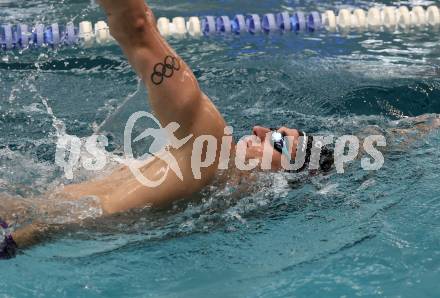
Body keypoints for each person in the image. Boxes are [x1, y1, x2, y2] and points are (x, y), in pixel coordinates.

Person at [1, 0, 439, 259]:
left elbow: (136, 28)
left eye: (279, 141)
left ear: (281, 175)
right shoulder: (214, 205)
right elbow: (360, 152)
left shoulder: (209, 148)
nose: (261, 129)